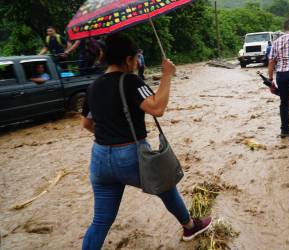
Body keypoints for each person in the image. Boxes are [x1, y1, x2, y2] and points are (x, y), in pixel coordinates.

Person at [80, 34, 211, 250]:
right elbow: (157, 108)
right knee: (166, 187)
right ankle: (189, 226)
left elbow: (86, 124)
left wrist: (110, 138)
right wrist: (167, 75)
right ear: (129, 59)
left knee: (101, 221)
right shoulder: (131, 81)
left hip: (100, 158)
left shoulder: (92, 86)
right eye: (135, 58)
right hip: (130, 155)